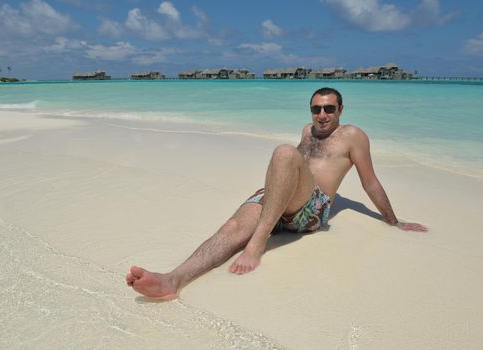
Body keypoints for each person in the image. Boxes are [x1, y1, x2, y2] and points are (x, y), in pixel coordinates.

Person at [125, 87, 428, 299]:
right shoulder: (305, 131)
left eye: (329, 109)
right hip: (281, 199)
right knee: (231, 228)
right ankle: (171, 281)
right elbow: (293, 170)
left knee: (283, 152)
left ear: (340, 110)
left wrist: (394, 221)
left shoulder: (353, 136)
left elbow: (370, 182)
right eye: (316, 109)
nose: (321, 115)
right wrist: (269, 194)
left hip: (312, 209)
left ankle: (258, 243)